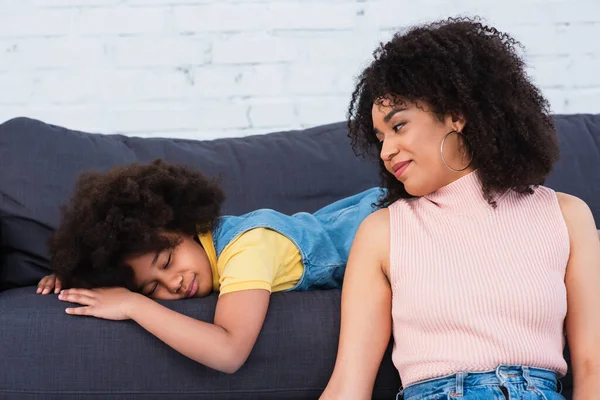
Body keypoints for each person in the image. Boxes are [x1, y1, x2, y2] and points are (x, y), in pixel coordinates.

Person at [320, 17, 600, 400]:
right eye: (379, 138)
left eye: (398, 126)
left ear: (457, 115)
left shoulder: (567, 216)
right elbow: (349, 385)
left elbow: (593, 366)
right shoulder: (383, 232)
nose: (385, 152)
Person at [37, 159, 383, 374]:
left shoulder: (247, 248)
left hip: (394, 219)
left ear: (187, 227)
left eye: (168, 261)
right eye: (152, 288)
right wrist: (74, 278)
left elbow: (228, 352)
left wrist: (135, 304)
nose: (172, 283)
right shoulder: (210, 252)